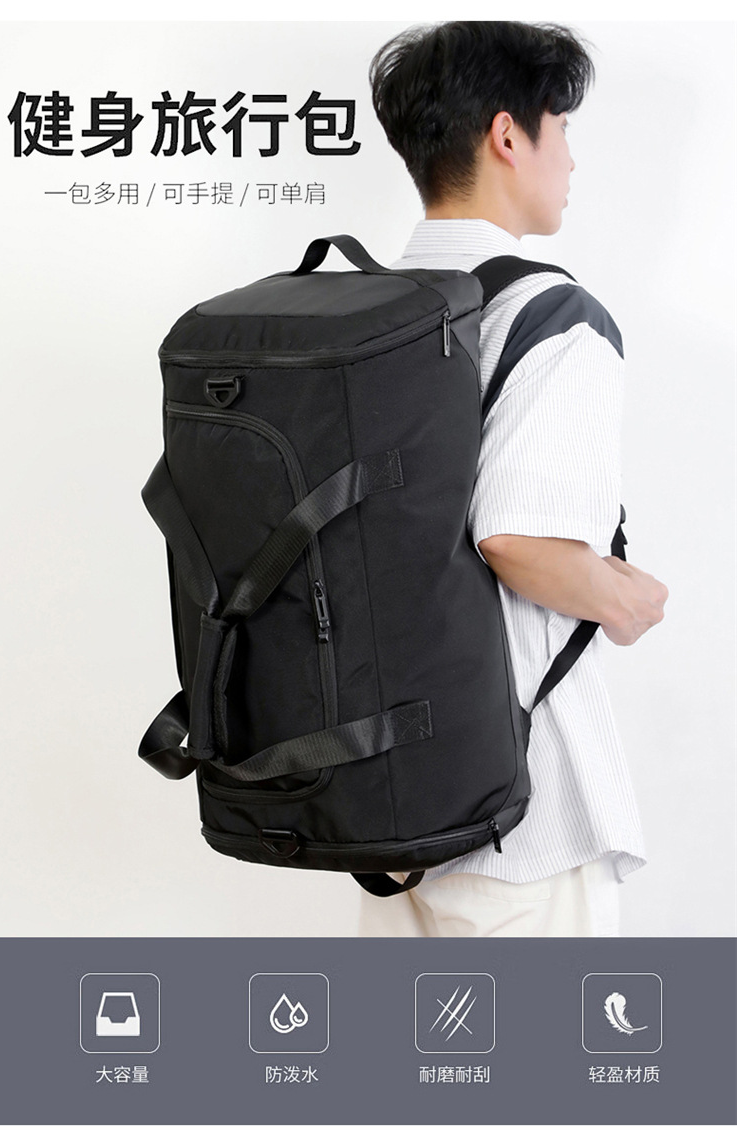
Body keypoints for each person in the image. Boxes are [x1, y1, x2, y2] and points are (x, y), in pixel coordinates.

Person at [357, 20, 669, 939]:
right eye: (560, 128)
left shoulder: (361, 310)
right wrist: (623, 598)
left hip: (383, 797)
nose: (570, 157)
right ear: (507, 135)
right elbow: (516, 539)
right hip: (519, 810)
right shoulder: (552, 315)